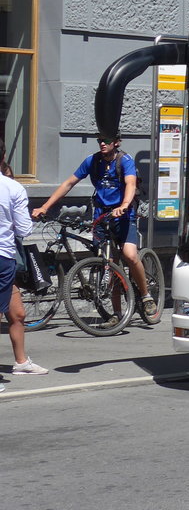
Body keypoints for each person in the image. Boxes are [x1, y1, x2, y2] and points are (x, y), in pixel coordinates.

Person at [32, 133, 156, 320]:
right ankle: (117, 314)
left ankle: (146, 296)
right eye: (100, 140)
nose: (102, 143)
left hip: (123, 215)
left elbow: (130, 183)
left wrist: (124, 205)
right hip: (101, 217)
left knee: (130, 255)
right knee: (109, 265)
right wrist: (45, 206)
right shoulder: (93, 161)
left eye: (106, 140)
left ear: (116, 142)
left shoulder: (125, 160)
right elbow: (68, 183)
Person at [1, 146, 50, 390]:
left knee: (17, 313)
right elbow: (23, 229)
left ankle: (21, 362)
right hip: (3, 257)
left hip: (6, 259)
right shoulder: (13, 188)